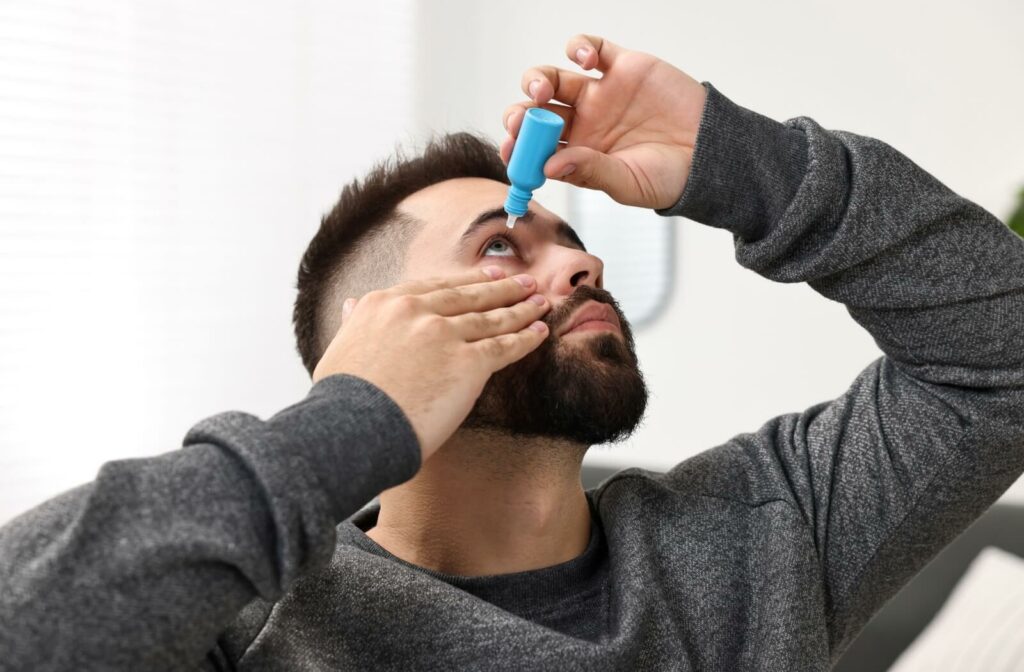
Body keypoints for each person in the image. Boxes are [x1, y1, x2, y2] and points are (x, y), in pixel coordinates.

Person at [1, 33, 1022, 671]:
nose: (579, 271)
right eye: (502, 246)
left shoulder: (765, 539)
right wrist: (349, 421)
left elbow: (1001, 358)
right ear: (379, 334)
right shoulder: (254, 621)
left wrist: (731, 157)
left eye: (572, 246)